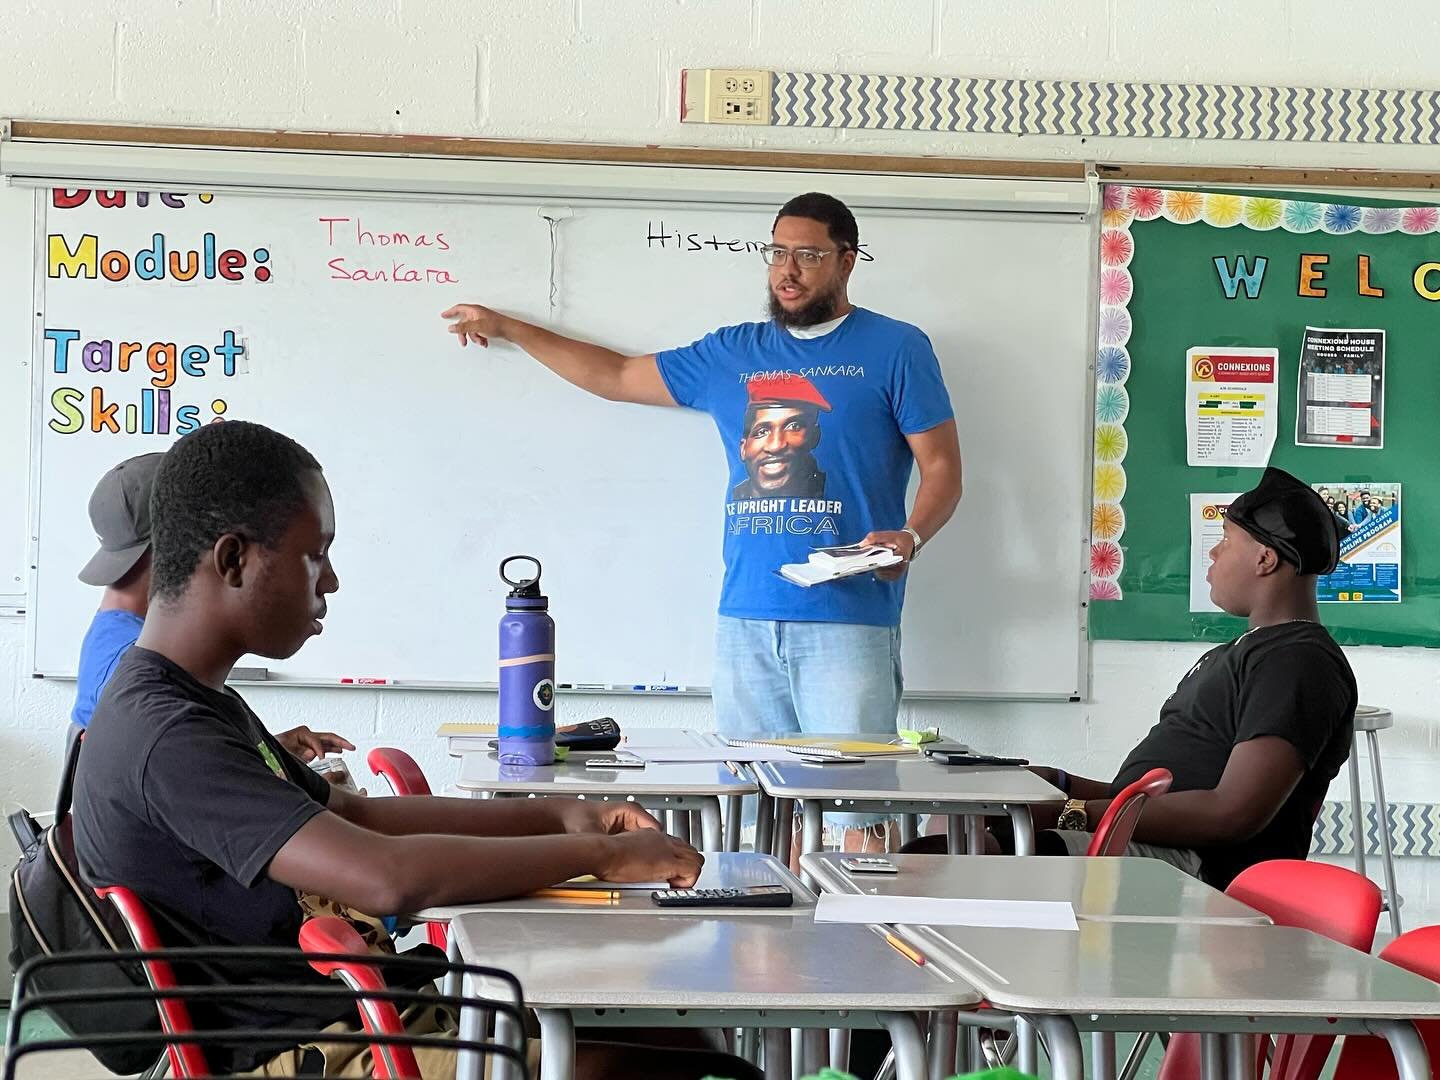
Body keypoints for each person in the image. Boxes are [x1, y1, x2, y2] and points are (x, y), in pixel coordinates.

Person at [73, 421, 754, 1080]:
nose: (330, 581)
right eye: (315, 555)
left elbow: (356, 816)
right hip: (314, 1049)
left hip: (358, 1013)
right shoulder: (166, 732)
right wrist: (601, 856)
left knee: (675, 1027)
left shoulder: (197, 700)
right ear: (233, 561)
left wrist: (567, 815)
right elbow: (385, 877)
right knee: (696, 1069)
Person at [442, 192, 964, 851]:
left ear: (846, 261)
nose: (788, 271)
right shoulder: (733, 353)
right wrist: (512, 329)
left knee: (854, 816)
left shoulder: (897, 348)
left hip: (850, 620)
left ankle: (857, 918)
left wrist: (911, 536)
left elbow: (943, 468)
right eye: (777, 252)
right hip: (744, 621)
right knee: (757, 815)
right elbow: (616, 374)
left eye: (808, 255)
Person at [907, 467, 1356, 890]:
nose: (1214, 552)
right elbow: (1144, 796)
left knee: (942, 863)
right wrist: (1057, 783)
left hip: (1196, 867)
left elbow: (1232, 814)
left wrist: (1072, 812)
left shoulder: (1298, 661)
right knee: (957, 828)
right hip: (1147, 839)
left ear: (1265, 559)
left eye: (1225, 539)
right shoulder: (1246, 652)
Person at [69, 453, 352, 767]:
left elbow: (191, 757)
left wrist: (269, 752)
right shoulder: (139, 671)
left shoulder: (117, 635)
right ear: (177, 543)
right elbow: (175, 762)